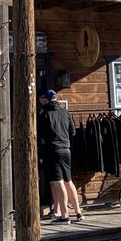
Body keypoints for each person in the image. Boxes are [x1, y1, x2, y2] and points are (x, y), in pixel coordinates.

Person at [37, 89, 83, 223]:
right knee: (69, 181)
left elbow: (41, 136)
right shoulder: (65, 112)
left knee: (58, 182)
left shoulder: (45, 114)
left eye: (42, 99)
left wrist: (41, 151)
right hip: (66, 150)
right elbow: (73, 131)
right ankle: (78, 213)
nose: (40, 101)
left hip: (53, 150)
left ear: (46, 99)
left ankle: (64, 216)